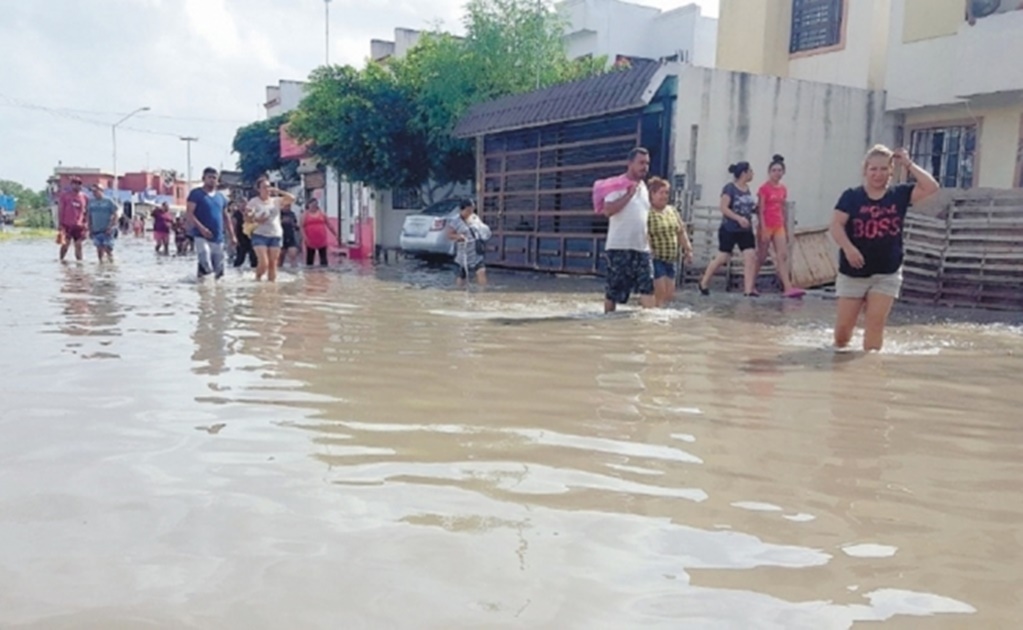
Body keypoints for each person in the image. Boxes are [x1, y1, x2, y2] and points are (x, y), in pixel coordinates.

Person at [830, 145, 939, 352]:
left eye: (883, 169)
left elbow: (932, 187)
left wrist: (908, 163)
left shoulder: (900, 194)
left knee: (875, 325)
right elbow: (836, 225)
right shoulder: (851, 196)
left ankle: (869, 372)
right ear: (865, 171)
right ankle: (840, 369)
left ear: (890, 171)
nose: (878, 174)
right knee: (843, 331)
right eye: (873, 169)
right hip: (853, 271)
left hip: (887, 271)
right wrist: (848, 248)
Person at [599, 147, 656, 312]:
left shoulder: (644, 188)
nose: (645, 167)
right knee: (614, 292)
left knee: (648, 287)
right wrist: (628, 195)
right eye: (641, 163)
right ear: (630, 163)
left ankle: (649, 328)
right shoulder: (617, 184)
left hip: (642, 249)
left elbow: (643, 219)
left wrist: (649, 246)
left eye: (647, 163)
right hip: (619, 247)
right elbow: (607, 210)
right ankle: (608, 322)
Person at [698, 161, 759, 297]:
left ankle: (748, 289)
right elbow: (724, 208)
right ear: (744, 173)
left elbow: (748, 207)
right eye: (750, 171)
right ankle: (704, 281)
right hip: (730, 228)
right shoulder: (729, 188)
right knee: (723, 256)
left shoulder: (747, 189)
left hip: (745, 229)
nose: (752, 174)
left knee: (750, 255)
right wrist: (738, 218)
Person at [756, 155, 805, 298]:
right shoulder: (763, 189)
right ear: (769, 172)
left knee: (782, 255)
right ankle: (750, 283)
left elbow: (782, 208)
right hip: (767, 224)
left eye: (779, 170)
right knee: (762, 256)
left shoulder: (783, 189)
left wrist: (785, 226)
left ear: (783, 172)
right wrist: (763, 227)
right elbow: (760, 209)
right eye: (774, 170)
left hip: (778, 225)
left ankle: (788, 287)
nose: (777, 173)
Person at [646, 177, 693, 307]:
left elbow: (681, 231)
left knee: (669, 294)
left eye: (666, 193)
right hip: (656, 258)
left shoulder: (672, 210)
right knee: (659, 292)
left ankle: (663, 318)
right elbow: (644, 233)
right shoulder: (647, 212)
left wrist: (688, 249)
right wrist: (649, 251)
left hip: (671, 259)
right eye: (661, 193)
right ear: (652, 194)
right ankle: (654, 316)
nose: (665, 196)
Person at [186, 167, 235, 280]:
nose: (212, 180)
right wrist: (201, 228)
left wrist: (232, 236)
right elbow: (189, 214)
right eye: (210, 177)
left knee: (218, 269)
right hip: (200, 235)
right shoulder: (196, 194)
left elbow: (226, 216)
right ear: (204, 178)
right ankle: (204, 289)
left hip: (218, 236)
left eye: (215, 178)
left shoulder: (221, 197)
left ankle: (215, 292)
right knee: (205, 259)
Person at [246, 176, 294, 282]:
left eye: (269, 187)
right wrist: (257, 219)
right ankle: (257, 279)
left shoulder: (276, 201)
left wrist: (278, 191)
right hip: (259, 235)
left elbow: (292, 198)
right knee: (264, 263)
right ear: (258, 189)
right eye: (264, 187)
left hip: (275, 235)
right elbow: (247, 217)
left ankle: (271, 287)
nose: (267, 189)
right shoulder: (253, 202)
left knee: (273, 263)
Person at [446, 198, 490, 287]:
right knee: (462, 276)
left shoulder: (475, 217)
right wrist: (458, 236)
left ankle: (483, 293)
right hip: (464, 253)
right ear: (462, 210)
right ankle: (459, 292)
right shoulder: (455, 221)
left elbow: (481, 229)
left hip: (476, 252)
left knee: (481, 271)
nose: (470, 212)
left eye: (472, 210)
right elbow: (448, 235)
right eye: (468, 210)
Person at [57, 176, 88, 262]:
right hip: (67, 224)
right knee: (65, 244)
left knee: (78, 245)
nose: (77, 186)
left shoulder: (84, 197)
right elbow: (61, 210)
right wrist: (60, 224)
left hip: (79, 225)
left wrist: (86, 224)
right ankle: (61, 260)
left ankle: (79, 263)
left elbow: (87, 212)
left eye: (79, 184)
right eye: (74, 184)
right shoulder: (65, 196)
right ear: (71, 185)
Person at [86, 183, 120, 263]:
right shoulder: (91, 202)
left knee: (108, 249)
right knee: (99, 250)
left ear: (101, 191)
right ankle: (101, 265)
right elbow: (89, 216)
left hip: (107, 230)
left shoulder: (108, 201)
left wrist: (111, 227)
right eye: (93, 191)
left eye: (96, 191)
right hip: (96, 230)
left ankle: (112, 264)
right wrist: (89, 229)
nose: (94, 193)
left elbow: (116, 214)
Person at [301, 198, 335, 267]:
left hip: (322, 239)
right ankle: (309, 275)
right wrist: (304, 238)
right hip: (310, 240)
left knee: (324, 259)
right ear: (308, 205)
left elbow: (329, 224)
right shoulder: (305, 215)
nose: (314, 206)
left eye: (315, 204)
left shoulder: (322, 214)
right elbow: (301, 227)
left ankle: (323, 274)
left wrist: (335, 234)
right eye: (312, 204)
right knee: (310, 259)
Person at [231, 200, 257, 268]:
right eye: (242, 204)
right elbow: (234, 226)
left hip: (251, 238)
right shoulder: (236, 214)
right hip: (240, 238)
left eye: (245, 204)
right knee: (240, 258)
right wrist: (234, 237)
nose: (244, 206)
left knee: (254, 258)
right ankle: (235, 271)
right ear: (239, 205)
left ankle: (254, 273)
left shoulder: (250, 213)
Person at [279, 197, 300, 268]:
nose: (288, 207)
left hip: (290, 236)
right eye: (286, 206)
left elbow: (295, 224)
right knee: (280, 258)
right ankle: (279, 271)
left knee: (293, 255)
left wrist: (296, 226)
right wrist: (281, 222)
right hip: (281, 237)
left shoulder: (292, 214)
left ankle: (294, 272)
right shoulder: (278, 214)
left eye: (289, 206)